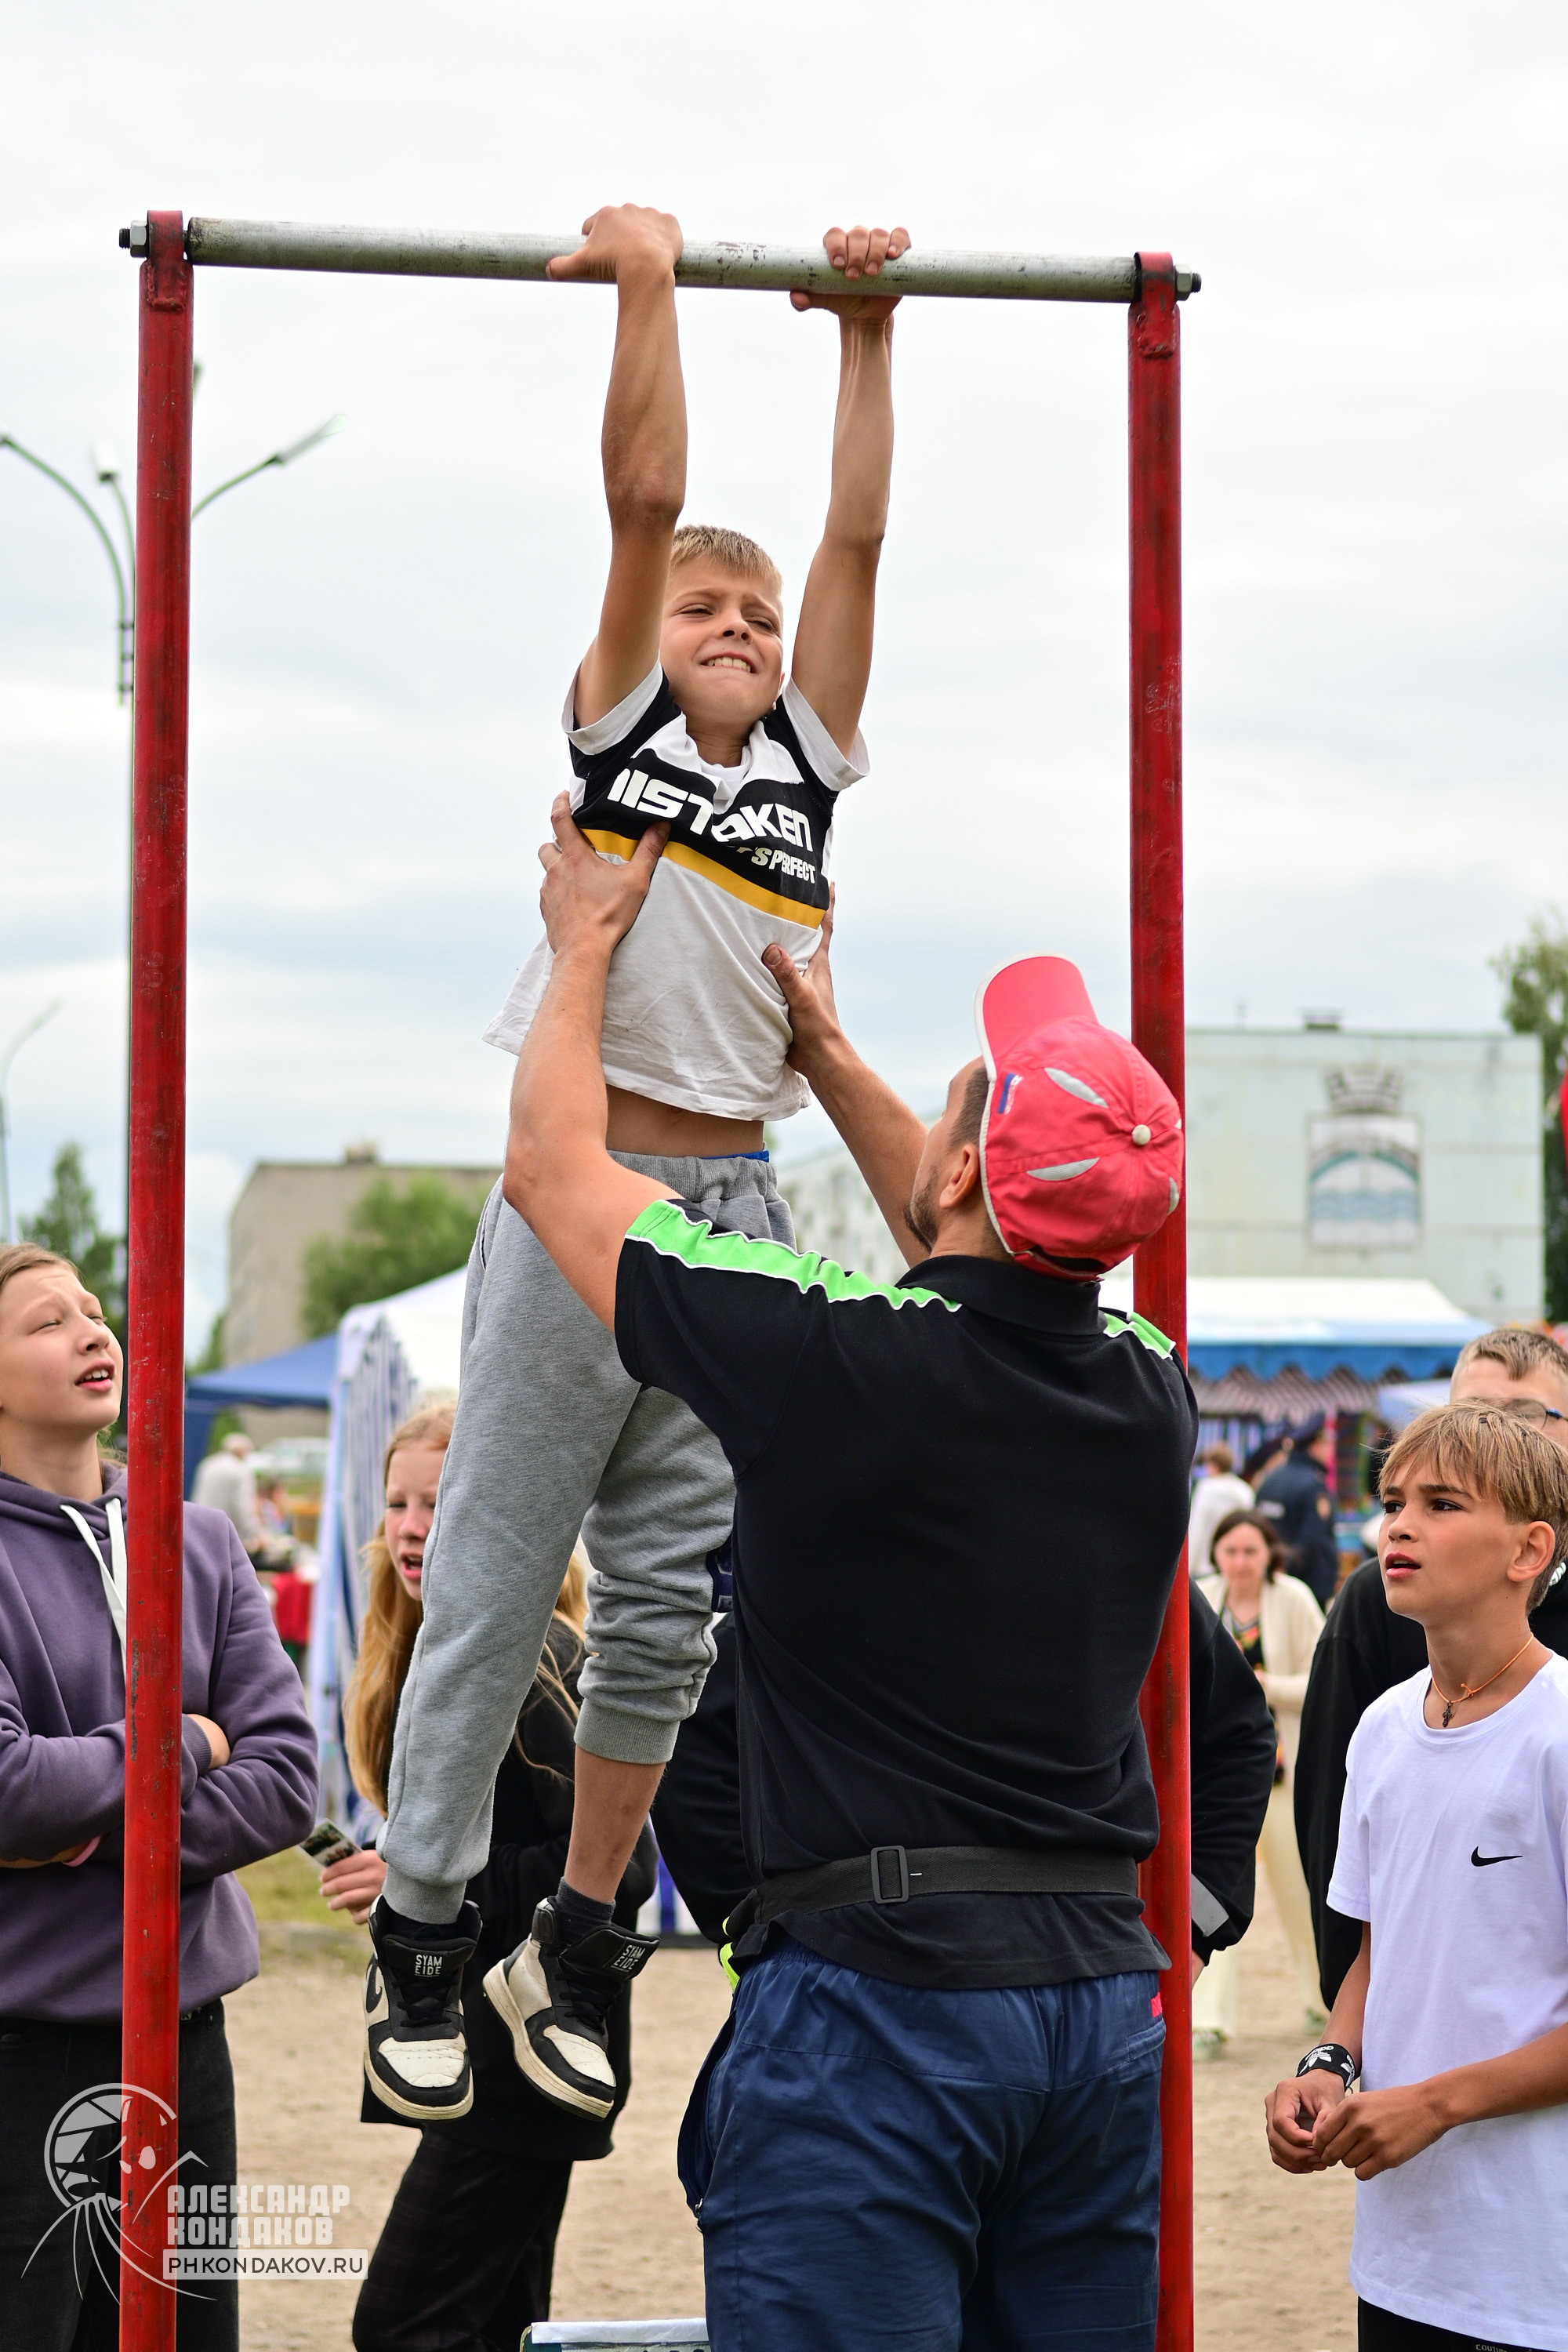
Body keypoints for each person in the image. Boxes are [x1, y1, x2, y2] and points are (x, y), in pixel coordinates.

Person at [453, 795, 1200, 2350]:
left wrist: (583, 944)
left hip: (880, 2004)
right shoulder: (1146, 1381)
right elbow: (969, 1232)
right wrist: (831, 1049)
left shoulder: (827, 1357)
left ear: (959, 1180)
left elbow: (549, 1169)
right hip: (1085, 2003)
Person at [367, 201, 913, 2123]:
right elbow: (642, 495)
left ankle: (583, 1928)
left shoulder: (805, 764)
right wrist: (659, 289)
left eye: (752, 618)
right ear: (640, 643)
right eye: (706, 611)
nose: (739, 631)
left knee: (676, 1605)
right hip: (581, 1192)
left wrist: (865, 334)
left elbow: (850, 535)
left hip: (736, 1201)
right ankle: (423, 1919)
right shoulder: (612, 742)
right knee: (505, 1576)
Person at [0, 1243, 318, 2351]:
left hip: (188, 2043)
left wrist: (80, 1836)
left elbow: (283, 1782)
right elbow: (4, 1791)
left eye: (95, 1311)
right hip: (21, 2043)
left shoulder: (198, 1540)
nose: (95, 1332)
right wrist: (185, 1738)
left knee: (188, 2338)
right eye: (48, 1322)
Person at [322, 1405, 654, 2352]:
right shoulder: (436, 1652)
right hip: (480, 2057)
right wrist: (399, 1885)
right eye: (398, 1502)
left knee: (400, 2324)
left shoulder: (537, 1657)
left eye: (442, 1499)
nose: (415, 1525)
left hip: (526, 2056)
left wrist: (426, 1884)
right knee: (501, 2326)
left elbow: (620, 1870)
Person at [1265, 1403, 1568, 2352]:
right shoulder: (1381, 1727)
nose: (1398, 1524)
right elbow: (1376, 1952)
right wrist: (1328, 2064)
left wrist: (1431, 2103)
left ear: (1528, 1550)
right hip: (1402, 2252)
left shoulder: (1558, 1736)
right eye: (1390, 1500)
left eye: (1440, 1503)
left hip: (1534, 2266)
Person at [654, 1581, 1279, 1984]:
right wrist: (757, 1934)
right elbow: (698, 1737)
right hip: (885, 1972)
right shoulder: (852, 1529)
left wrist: (1190, 1930)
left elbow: (1237, 1733)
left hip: (1093, 1973)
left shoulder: (1119, 1543)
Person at [1294, 1324, 1568, 2006]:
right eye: (1467, 1414)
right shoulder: (1377, 1613)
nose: (1489, 1436)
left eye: (1524, 1417)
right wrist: (1351, 2041)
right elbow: (1337, 1828)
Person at [1192, 1509, 1325, 2054]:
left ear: (1270, 1554)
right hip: (1219, 1783)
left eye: (1251, 1551)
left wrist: (1266, 1685)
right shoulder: (1201, 1596)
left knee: (1298, 1893)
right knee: (1208, 1893)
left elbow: (1322, 1674)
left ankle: (1322, 2001)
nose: (1241, 1562)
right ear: (1217, 1555)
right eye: (1231, 1552)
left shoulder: (1292, 1598)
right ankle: (1207, 2018)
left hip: (1282, 1772)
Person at [1255, 1414, 1341, 1606]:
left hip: (1272, 1580)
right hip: (1308, 1587)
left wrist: (1276, 1569)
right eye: (1327, 1443)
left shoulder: (1269, 1480)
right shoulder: (1314, 1486)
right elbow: (1311, 1542)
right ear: (1316, 1444)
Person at [1186, 1441, 1254, 1581]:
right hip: (1235, 1563)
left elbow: (1197, 1527)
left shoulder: (1207, 1488)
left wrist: (1189, 1563)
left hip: (1205, 1564)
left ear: (1213, 1465)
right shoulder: (1244, 1490)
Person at [191, 1428, 261, 1555]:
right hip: (223, 1532)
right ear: (242, 1451)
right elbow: (244, 1508)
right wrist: (256, 1534)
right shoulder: (241, 1470)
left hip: (198, 1527)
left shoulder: (208, 1464)